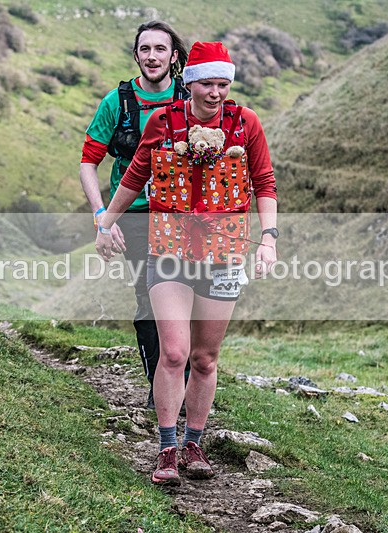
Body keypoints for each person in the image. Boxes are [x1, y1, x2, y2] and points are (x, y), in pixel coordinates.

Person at [95, 41, 278, 485]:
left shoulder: (245, 123)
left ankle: (195, 442)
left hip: (226, 251)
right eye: (207, 83)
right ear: (190, 82)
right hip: (169, 248)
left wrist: (268, 239)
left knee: (205, 358)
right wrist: (106, 223)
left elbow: (264, 181)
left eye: (223, 83)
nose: (215, 92)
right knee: (173, 352)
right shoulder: (165, 121)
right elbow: (136, 175)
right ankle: (167, 449)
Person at [80, 20, 189, 409]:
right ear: (136, 55)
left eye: (161, 49)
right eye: (145, 49)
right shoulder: (117, 103)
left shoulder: (191, 97)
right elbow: (87, 163)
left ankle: (183, 386)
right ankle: (160, 389)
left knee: (189, 297)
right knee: (149, 298)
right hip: (137, 217)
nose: (152, 57)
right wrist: (101, 217)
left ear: (174, 55)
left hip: (186, 216)